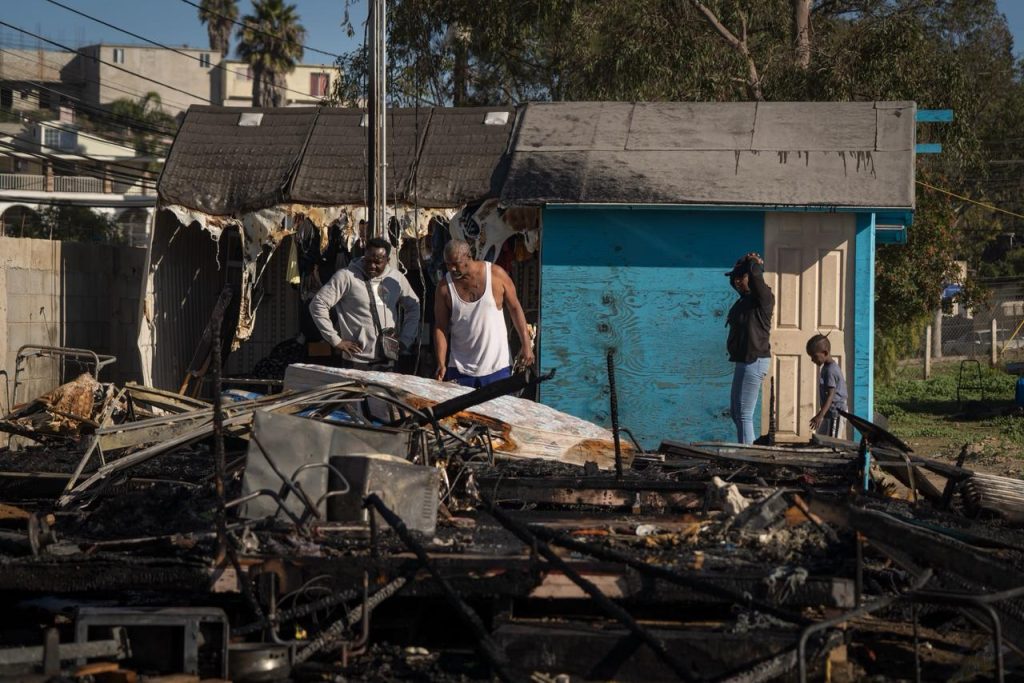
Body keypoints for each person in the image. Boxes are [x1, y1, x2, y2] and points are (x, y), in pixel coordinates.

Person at [433, 239, 535, 387]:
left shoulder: (496, 275)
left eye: (456, 263)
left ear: (469, 256)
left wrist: (526, 345)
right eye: (448, 264)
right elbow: (440, 327)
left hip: (497, 369)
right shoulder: (444, 288)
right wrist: (441, 363)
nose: (452, 269)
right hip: (460, 370)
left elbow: (515, 308)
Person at [309, 237, 420, 370]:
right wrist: (335, 340)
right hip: (356, 360)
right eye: (368, 261)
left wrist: (406, 339)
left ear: (388, 260)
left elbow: (413, 306)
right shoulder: (346, 276)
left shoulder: (396, 278)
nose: (372, 266)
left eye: (377, 262)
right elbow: (318, 304)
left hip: (388, 359)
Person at [725, 252, 775, 444]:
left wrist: (752, 262)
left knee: (744, 414)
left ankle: (748, 455)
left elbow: (756, 277)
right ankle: (748, 448)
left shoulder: (763, 298)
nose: (737, 281)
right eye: (735, 278)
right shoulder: (743, 301)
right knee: (736, 412)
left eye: (742, 277)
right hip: (743, 361)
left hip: (754, 360)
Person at [806, 334, 848, 437]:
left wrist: (820, 416)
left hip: (836, 413)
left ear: (825, 353)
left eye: (814, 356)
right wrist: (820, 414)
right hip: (829, 413)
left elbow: (830, 396)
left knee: (832, 442)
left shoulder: (830, 370)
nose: (812, 360)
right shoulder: (826, 367)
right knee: (821, 438)